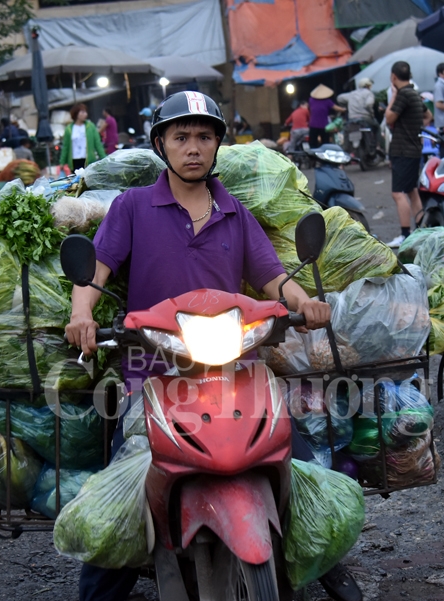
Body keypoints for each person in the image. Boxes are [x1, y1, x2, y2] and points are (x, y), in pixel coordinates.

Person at [66, 90, 362, 601]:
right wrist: (81, 313)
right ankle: (97, 592)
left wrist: (305, 302)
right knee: (123, 484)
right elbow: (97, 267)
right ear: (162, 144)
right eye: (181, 137)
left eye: (204, 137)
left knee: (300, 456)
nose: (194, 148)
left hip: (235, 368)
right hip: (153, 370)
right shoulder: (134, 206)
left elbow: (273, 278)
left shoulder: (235, 212)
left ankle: (323, 559)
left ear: (218, 145)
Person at [385, 61, 429, 248]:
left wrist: (393, 96)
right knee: (411, 191)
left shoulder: (403, 94)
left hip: (403, 150)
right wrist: (416, 130)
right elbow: (428, 116)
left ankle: (405, 233)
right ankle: (420, 230)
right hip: (413, 149)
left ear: (393, 77)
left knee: (398, 193)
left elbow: (388, 118)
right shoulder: (414, 94)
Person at [60, 103, 106, 173]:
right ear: (76, 114)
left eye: (85, 112)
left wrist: (104, 158)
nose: (86, 114)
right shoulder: (69, 129)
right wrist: (62, 162)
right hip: (74, 161)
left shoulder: (90, 126)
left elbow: (98, 144)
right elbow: (65, 147)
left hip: (88, 160)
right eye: (83, 112)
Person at [308, 84, 345, 148]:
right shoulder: (327, 101)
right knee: (325, 144)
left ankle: (313, 157)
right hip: (324, 126)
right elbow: (337, 108)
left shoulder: (311, 100)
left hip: (313, 125)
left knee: (313, 144)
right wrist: (344, 109)